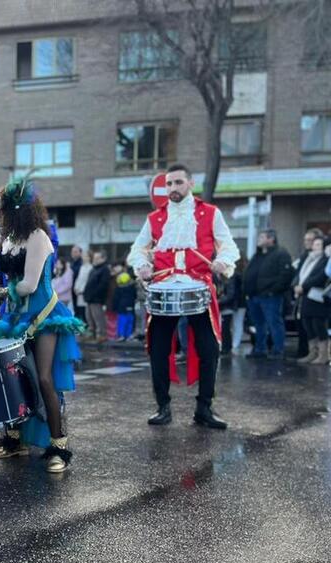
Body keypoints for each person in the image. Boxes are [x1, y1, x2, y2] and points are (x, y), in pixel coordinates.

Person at [127, 164, 239, 429]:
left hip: (198, 285)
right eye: (169, 184)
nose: (173, 189)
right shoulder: (155, 218)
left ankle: (204, 408)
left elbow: (229, 245)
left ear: (190, 183)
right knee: (158, 349)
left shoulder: (210, 213)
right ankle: (162, 407)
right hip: (164, 288)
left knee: (209, 349)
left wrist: (223, 261)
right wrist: (142, 265)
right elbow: (137, 249)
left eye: (178, 183)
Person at [0, 177, 84, 473]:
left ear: (15, 210)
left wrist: (6, 291)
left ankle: (59, 445)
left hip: (44, 315)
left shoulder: (39, 237)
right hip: (15, 318)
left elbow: (28, 285)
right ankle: (15, 440)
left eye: (0, 207)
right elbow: (15, 283)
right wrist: (3, 292)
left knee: (44, 379)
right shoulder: (9, 239)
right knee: (12, 379)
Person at [244, 228, 294, 359]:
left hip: (270, 296)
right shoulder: (258, 255)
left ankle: (278, 350)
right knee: (258, 324)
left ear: (271, 239)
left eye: (262, 237)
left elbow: (286, 275)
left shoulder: (281, 254)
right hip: (254, 296)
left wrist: (273, 291)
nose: (259, 240)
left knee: (274, 323)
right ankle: (260, 349)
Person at [293, 231, 331, 365]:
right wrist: (297, 285)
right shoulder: (308, 258)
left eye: (319, 244)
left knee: (318, 324)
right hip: (306, 296)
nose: (315, 246)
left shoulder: (325, 260)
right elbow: (301, 274)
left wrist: (304, 286)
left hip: (317, 296)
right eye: (314, 244)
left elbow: (321, 276)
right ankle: (312, 352)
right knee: (307, 324)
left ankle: (323, 354)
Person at [293, 229, 319, 359]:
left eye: (310, 240)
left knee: (314, 326)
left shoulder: (319, 258)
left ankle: (315, 353)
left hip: (312, 294)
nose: (307, 243)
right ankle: (304, 351)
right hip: (301, 295)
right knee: (302, 324)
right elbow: (298, 273)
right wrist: (295, 285)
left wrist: (303, 286)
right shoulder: (305, 256)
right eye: (305, 240)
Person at [82, 249, 110, 342]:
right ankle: (92, 334)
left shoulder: (104, 269)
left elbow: (103, 285)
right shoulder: (94, 269)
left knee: (98, 318)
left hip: (97, 298)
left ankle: (101, 334)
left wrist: (94, 294)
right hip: (89, 298)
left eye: (97, 258)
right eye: (94, 258)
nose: (95, 260)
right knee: (89, 317)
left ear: (103, 259)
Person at [112, 271, 137, 340]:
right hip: (131, 306)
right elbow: (135, 296)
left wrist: (114, 307)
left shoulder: (118, 289)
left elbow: (115, 299)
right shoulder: (132, 287)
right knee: (130, 321)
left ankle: (121, 335)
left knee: (122, 321)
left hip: (121, 308)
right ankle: (128, 335)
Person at [73, 247, 92, 334]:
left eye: (86, 256)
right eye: (84, 256)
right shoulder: (82, 267)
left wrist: (82, 290)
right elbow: (78, 279)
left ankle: (87, 330)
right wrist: (76, 288)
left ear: (89, 258)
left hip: (84, 293)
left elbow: (87, 281)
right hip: (78, 293)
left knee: (86, 313)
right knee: (79, 311)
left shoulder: (90, 268)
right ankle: (82, 330)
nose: (84, 258)